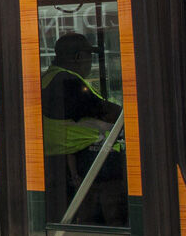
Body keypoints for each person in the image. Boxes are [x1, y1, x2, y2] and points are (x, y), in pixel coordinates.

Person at [41, 33, 127, 226]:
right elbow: (110, 113)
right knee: (110, 213)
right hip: (87, 161)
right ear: (79, 57)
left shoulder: (49, 77)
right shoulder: (67, 82)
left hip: (62, 160)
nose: (90, 62)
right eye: (89, 56)